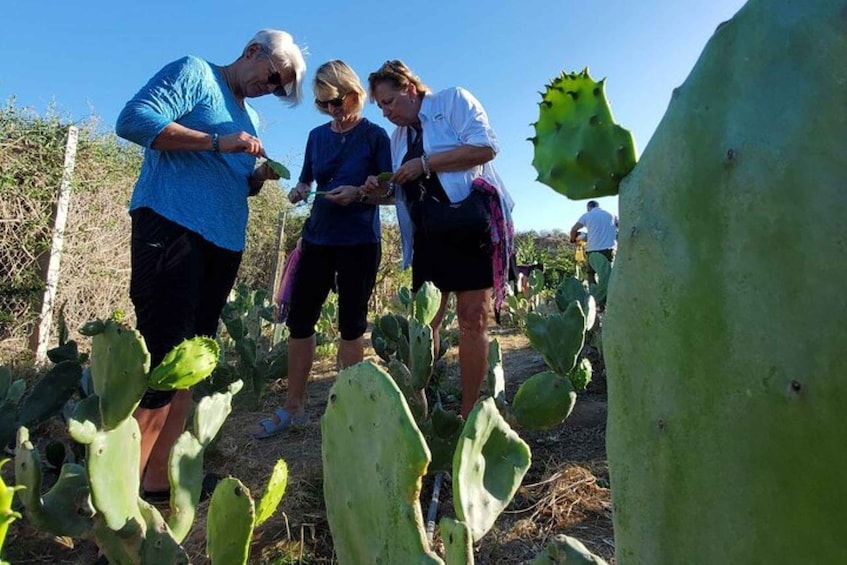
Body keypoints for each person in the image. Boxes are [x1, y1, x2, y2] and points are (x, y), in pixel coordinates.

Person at [115, 29, 306, 497]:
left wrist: (257, 176)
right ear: (252, 51)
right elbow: (133, 121)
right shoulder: (194, 72)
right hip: (172, 228)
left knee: (192, 361)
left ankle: (158, 480)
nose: (272, 87)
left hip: (221, 244)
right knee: (164, 361)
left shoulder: (250, 116)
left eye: (280, 87)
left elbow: (236, 182)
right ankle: (118, 507)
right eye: (273, 76)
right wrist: (218, 143)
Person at [251, 60, 392, 439]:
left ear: (352, 95)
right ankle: (292, 407)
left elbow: (391, 191)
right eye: (321, 104)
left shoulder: (376, 137)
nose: (330, 110)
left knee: (351, 326)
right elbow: (306, 180)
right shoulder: (317, 137)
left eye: (334, 101)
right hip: (317, 237)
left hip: (359, 240)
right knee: (300, 322)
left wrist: (362, 192)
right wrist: (298, 191)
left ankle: (348, 412)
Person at [365, 60, 514, 418]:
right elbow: (403, 188)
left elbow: (486, 147)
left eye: (389, 101)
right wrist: (377, 190)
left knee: (472, 318)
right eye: (381, 106)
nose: (386, 113)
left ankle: (469, 412)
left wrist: (427, 163)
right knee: (424, 324)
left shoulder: (452, 102)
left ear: (410, 88)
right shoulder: (398, 138)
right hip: (428, 237)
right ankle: (424, 408)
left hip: (467, 226)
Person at [569, 200, 618, 284]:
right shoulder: (611, 214)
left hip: (593, 250)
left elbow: (574, 230)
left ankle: (595, 294)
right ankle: (611, 295)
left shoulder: (587, 215)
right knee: (610, 275)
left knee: (591, 274)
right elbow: (619, 227)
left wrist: (573, 239)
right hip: (609, 249)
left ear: (588, 207)